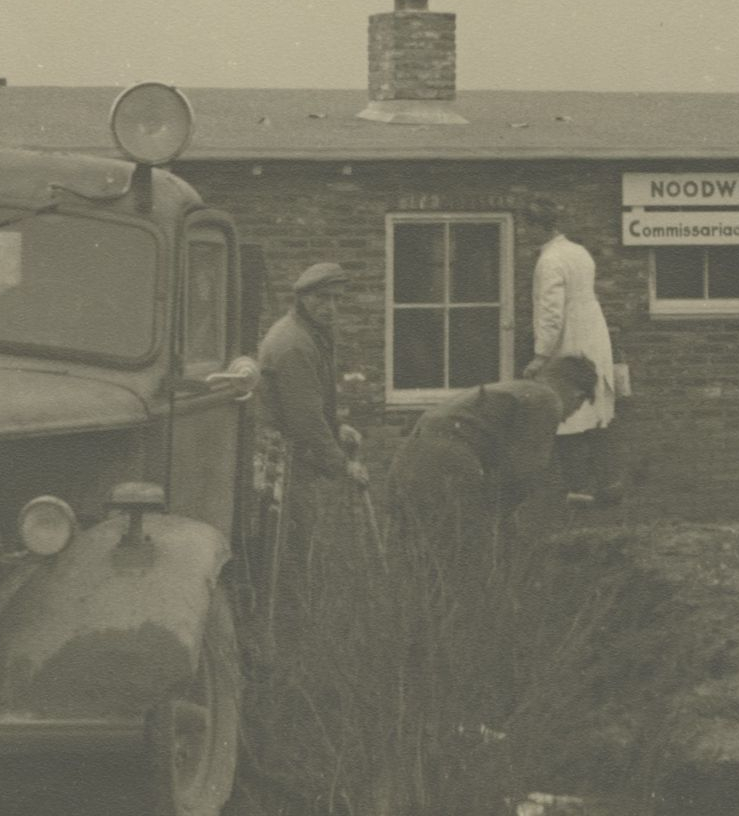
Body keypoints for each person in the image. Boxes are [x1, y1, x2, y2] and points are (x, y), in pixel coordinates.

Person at [389, 354, 599, 568]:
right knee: (466, 560)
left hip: (409, 455)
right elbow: (524, 474)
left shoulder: (514, 391)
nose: (568, 417)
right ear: (578, 396)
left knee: (419, 559)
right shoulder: (547, 399)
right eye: (578, 407)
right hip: (447, 459)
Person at [256, 262, 367, 615]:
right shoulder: (294, 344)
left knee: (295, 543)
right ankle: (288, 635)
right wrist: (342, 464)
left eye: (336, 299)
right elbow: (304, 420)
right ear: (302, 298)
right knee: (290, 546)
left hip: (294, 452)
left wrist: (337, 428)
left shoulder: (312, 333)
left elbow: (315, 399)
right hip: (283, 459)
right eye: (322, 298)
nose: (330, 307)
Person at [520, 198, 621, 504]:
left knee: (568, 410)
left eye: (529, 227)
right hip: (593, 335)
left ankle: (579, 488)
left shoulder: (550, 261)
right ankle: (604, 482)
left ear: (540, 226)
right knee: (595, 408)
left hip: (571, 339)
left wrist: (540, 355)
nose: (526, 233)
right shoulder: (579, 252)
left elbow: (551, 313)